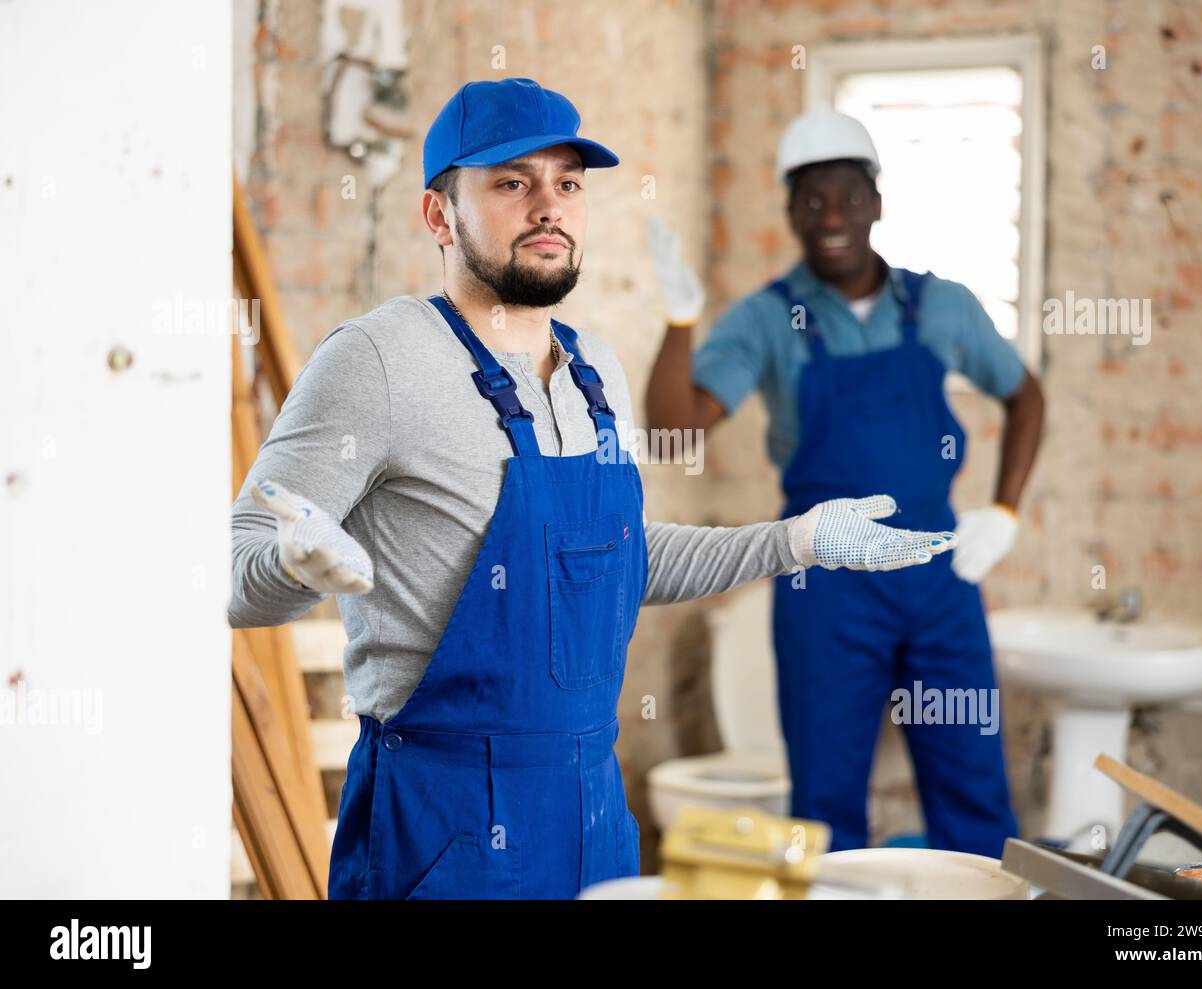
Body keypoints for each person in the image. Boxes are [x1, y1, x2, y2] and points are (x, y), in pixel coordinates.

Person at [229, 79, 957, 899]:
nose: (549, 206)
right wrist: (293, 566)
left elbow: (624, 562)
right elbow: (236, 575)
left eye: (567, 183)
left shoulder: (594, 372)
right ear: (439, 215)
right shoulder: (376, 360)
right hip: (444, 825)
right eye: (511, 183)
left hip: (593, 816)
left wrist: (796, 540)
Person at [645, 107, 1045, 856]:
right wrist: (680, 318)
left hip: (938, 570)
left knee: (974, 792)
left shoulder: (942, 306)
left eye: (849, 196)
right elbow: (676, 427)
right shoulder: (768, 319)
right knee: (825, 804)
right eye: (812, 199)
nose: (832, 216)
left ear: (878, 203)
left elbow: (1027, 393)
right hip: (824, 580)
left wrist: (1005, 512)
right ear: (791, 210)